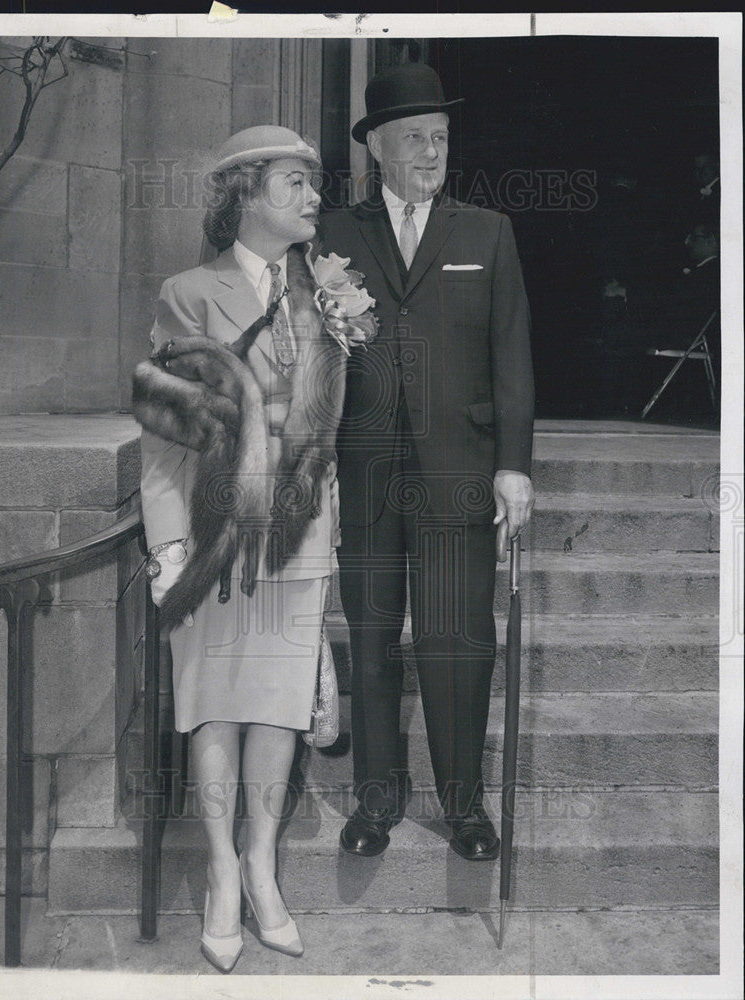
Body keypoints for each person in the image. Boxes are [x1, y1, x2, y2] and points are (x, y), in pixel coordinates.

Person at [136, 126, 350, 972]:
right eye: (295, 183)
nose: (313, 198)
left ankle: (262, 866)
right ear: (246, 195)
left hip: (300, 531)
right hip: (217, 534)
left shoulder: (326, 291)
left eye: (313, 184)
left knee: (276, 700)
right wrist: (168, 549)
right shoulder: (188, 293)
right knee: (214, 701)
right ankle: (222, 870)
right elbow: (163, 437)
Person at [319, 63, 535, 861]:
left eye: (440, 138)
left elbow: (510, 355)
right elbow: (311, 363)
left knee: (455, 642)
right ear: (376, 147)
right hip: (365, 473)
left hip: (459, 472)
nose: (431, 151)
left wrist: (514, 466)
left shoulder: (487, 232)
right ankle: (375, 801)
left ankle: (464, 807)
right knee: (372, 638)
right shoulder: (331, 238)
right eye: (413, 137)